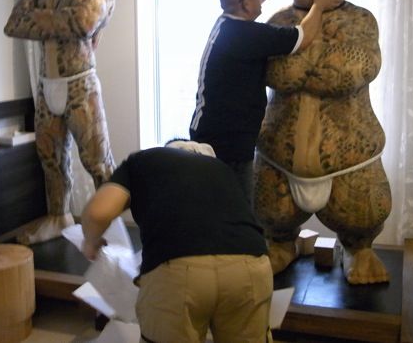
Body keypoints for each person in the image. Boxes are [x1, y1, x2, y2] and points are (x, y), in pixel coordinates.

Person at [254, 0, 391, 284]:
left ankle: (359, 250)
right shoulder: (278, 20)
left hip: (351, 157)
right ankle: (280, 244)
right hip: (278, 157)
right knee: (271, 211)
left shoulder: (361, 20)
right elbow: (278, 73)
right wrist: (317, 60)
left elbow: (355, 70)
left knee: (363, 214)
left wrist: (301, 59)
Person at [81, 140, 273, 343]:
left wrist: (91, 243)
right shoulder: (222, 169)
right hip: (251, 265)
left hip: (180, 270)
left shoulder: (142, 160)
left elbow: (97, 213)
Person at [189, 0, 343, 205]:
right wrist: (319, 4)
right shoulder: (245, 35)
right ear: (244, 4)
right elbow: (302, 37)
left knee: (220, 208)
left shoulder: (228, 20)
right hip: (225, 144)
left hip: (210, 133)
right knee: (236, 210)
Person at [4, 0, 116, 244]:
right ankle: (59, 216)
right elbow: (13, 24)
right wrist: (62, 18)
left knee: (98, 161)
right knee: (50, 158)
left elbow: (84, 22)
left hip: (80, 83)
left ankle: (113, 228)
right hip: (47, 86)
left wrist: (40, 18)